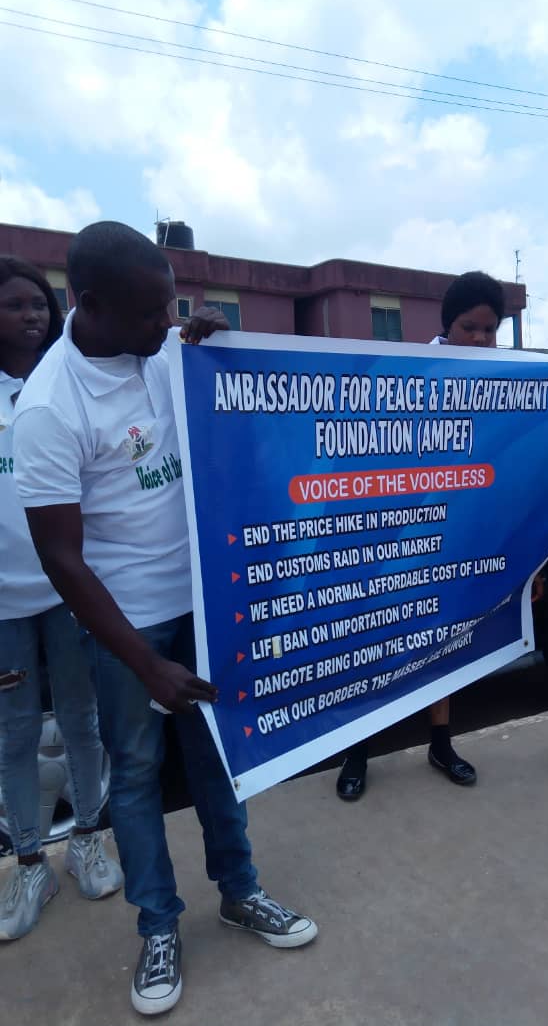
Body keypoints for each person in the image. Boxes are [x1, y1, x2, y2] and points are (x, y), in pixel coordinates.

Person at [13, 223, 317, 1015]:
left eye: (172, 306)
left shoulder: (166, 351)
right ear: (91, 305)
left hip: (211, 605)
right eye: (153, 312)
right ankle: (157, 926)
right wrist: (147, 667)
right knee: (139, 773)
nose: (168, 322)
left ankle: (240, 890)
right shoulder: (49, 407)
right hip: (129, 631)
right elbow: (63, 561)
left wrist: (211, 341)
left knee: (221, 758)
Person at [335, 271, 503, 800]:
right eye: (468, 327)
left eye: (489, 330)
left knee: (444, 643)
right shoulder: (409, 374)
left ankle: (440, 744)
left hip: (457, 537)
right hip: (393, 535)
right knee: (374, 644)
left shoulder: (506, 379)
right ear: (445, 325)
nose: (479, 339)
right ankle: (357, 751)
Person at [0, 258, 123, 941]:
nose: (33, 315)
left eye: (39, 303)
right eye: (15, 305)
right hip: (3, 604)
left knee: (81, 717)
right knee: (15, 732)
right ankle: (27, 862)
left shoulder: (64, 382)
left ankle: (87, 842)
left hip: (68, 589)